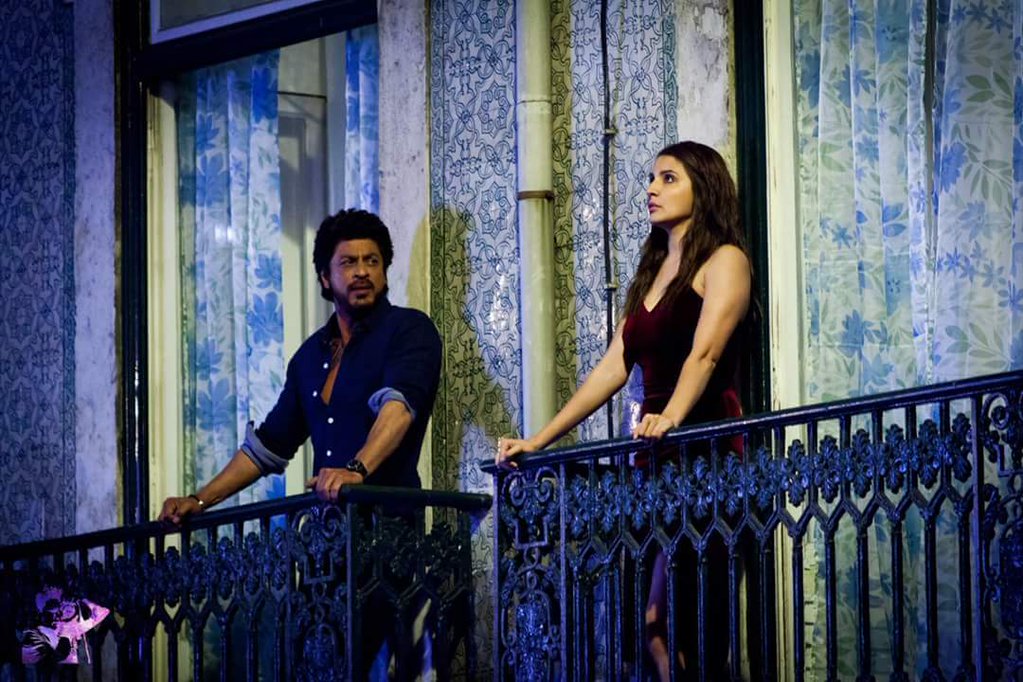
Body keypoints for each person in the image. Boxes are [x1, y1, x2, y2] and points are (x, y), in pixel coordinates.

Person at [496, 141, 750, 681]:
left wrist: (671, 417)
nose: (652, 189)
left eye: (668, 178)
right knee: (649, 624)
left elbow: (705, 354)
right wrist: (538, 440)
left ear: (704, 187)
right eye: (651, 179)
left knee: (685, 619)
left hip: (705, 458)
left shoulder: (725, 260)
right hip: (653, 464)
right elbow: (612, 368)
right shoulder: (653, 270)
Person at [159, 208, 442, 519]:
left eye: (372, 261)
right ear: (325, 277)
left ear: (385, 272)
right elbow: (268, 446)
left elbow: (397, 410)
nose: (362, 271)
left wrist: (356, 470)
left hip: (390, 532)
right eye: (349, 262)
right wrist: (198, 500)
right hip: (324, 535)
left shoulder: (409, 329)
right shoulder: (310, 356)